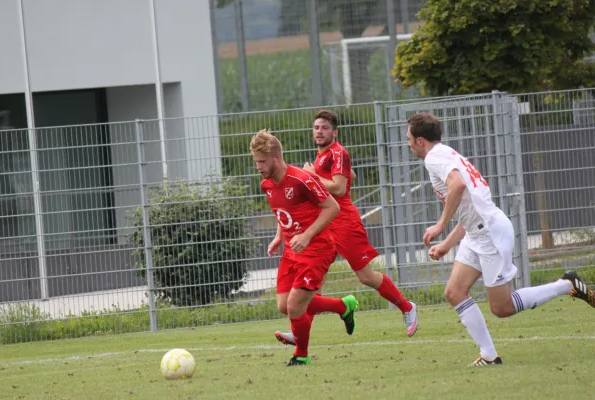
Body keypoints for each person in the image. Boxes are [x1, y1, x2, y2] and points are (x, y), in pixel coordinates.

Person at [406, 112, 595, 366]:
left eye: (409, 138)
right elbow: (470, 207)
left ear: (420, 141)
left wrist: (440, 225)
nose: (407, 143)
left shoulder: (434, 158)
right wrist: (447, 244)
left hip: (489, 234)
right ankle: (489, 355)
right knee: (454, 292)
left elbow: (458, 185)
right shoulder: (447, 153)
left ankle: (565, 285)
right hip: (477, 231)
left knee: (502, 308)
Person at [274, 110, 418, 347]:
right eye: (316, 128)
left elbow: (339, 189)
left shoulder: (338, 151)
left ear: (334, 132)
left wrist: (312, 176)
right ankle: (299, 330)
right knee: (309, 281)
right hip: (324, 222)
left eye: (325, 128)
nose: (319, 132)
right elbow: (349, 175)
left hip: (344, 222)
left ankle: (407, 306)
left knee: (366, 276)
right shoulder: (323, 155)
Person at [251, 129, 359, 367]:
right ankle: (343, 306)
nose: (258, 166)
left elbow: (332, 208)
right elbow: (284, 212)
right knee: (284, 306)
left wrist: (308, 235)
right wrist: (279, 236)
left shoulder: (302, 179)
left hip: (317, 248)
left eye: (261, 161)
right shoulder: (267, 184)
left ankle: (301, 355)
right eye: (256, 161)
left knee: (295, 305)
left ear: (276, 158)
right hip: (292, 250)